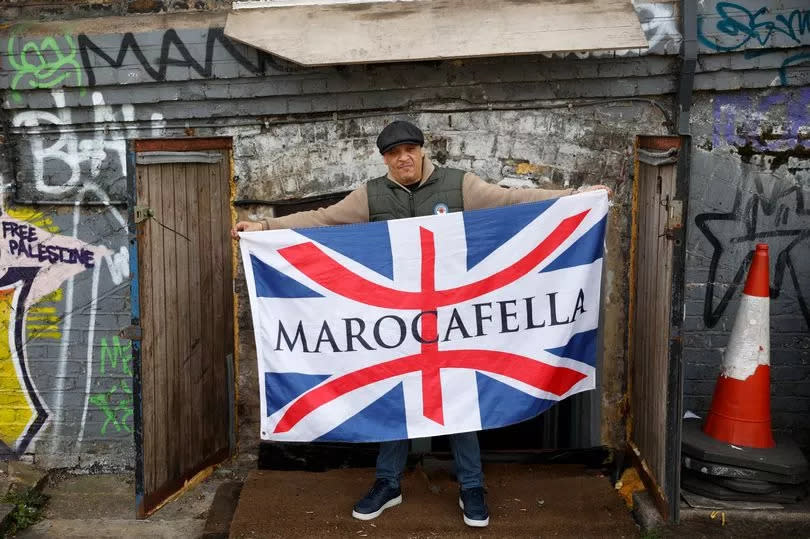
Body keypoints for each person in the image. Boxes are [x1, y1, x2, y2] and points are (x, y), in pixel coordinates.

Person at [233, 120, 610, 528]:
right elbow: (323, 220)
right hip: (397, 323)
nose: (403, 158)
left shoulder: (458, 185)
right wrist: (265, 228)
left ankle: (471, 486)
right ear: (385, 159)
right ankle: (388, 483)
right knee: (397, 401)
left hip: (454, 317)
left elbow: (512, 200)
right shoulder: (372, 194)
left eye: (410, 149)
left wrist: (574, 198)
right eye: (394, 154)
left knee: (459, 401)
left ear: (423, 150)